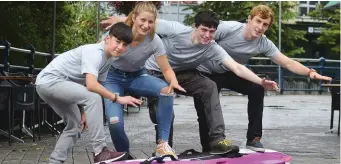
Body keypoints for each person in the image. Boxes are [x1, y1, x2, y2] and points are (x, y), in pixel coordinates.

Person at [100, 10, 279, 155]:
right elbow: (147, 21)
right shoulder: (177, 29)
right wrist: (120, 19)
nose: (207, 36)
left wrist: (260, 82)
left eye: (211, 32)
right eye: (204, 30)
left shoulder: (212, 48)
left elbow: (237, 68)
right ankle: (164, 148)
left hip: (184, 75)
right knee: (164, 105)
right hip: (155, 73)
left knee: (209, 86)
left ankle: (217, 140)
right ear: (195, 27)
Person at [195, 5, 332, 152]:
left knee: (257, 87)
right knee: (205, 110)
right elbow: (199, 37)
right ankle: (208, 145)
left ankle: (253, 139)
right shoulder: (228, 28)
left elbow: (286, 62)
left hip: (229, 72)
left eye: (265, 24)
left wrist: (310, 72)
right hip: (203, 72)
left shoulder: (263, 43)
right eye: (258, 21)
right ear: (249, 19)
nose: (260, 27)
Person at [35, 22, 142, 164]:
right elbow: (92, 86)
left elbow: (88, 85)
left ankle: (55, 162)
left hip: (52, 85)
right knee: (93, 96)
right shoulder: (94, 52)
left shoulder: (108, 59)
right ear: (107, 39)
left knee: (75, 125)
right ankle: (100, 151)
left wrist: (84, 111)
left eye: (124, 45)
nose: (120, 47)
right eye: (117, 42)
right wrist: (118, 98)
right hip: (50, 81)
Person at [101, 2, 185, 159]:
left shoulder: (154, 41)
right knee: (114, 123)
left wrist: (173, 81)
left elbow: (166, 69)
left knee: (166, 91)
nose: (146, 25)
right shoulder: (118, 33)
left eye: (150, 22)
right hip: (112, 78)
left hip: (136, 76)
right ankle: (124, 156)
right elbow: (98, 57)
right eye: (143, 20)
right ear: (134, 17)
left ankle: (162, 145)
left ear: (154, 23)